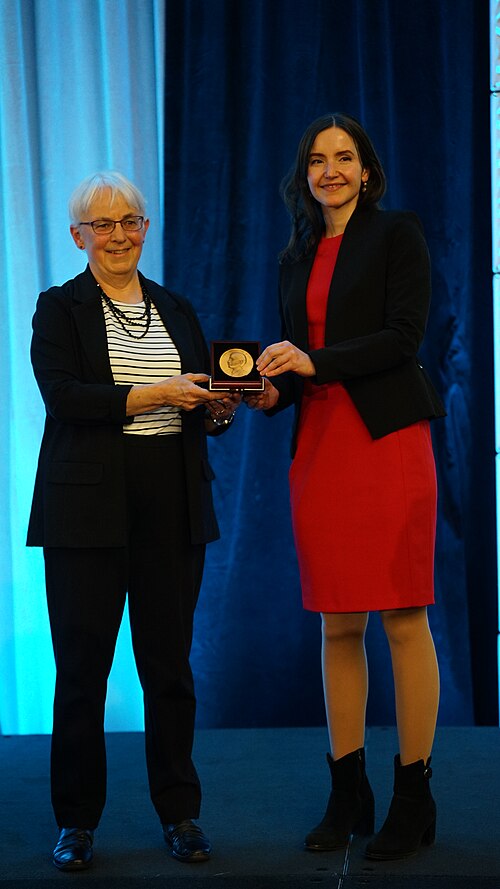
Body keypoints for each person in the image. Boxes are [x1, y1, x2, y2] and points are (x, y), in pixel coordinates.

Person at [246, 113, 445, 860]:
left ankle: (414, 795)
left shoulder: (398, 234)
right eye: (317, 159)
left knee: (402, 618)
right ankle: (348, 790)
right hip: (321, 445)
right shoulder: (294, 256)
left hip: (386, 441)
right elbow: (301, 365)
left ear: (367, 170)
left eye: (344, 157)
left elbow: (402, 338)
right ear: (304, 175)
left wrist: (312, 364)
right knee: (336, 623)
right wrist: (272, 391)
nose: (330, 170)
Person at [27, 171, 239, 871]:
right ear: (78, 236)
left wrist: (216, 407)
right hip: (85, 508)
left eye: (130, 221)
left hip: (171, 502)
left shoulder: (176, 306)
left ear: (145, 228)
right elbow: (64, 397)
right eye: (103, 224)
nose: (118, 235)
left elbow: (197, 403)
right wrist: (159, 392)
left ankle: (180, 813)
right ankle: (76, 821)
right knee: (81, 671)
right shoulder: (58, 308)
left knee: (169, 668)